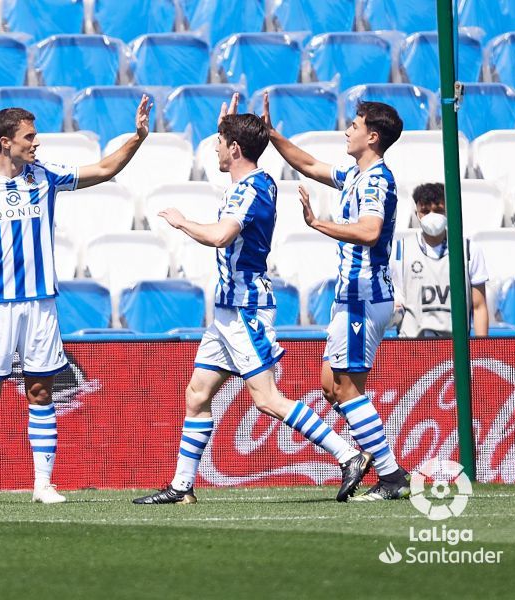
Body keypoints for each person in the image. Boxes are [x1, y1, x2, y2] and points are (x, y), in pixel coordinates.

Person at [132, 96, 372, 505]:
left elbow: (221, 235)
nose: (214, 148)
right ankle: (182, 486)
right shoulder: (251, 183)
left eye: (220, 142)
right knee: (197, 394)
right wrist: (228, 125)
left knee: (266, 399)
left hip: (247, 310)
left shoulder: (253, 189)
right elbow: (233, 178)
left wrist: (182, 222)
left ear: (235, 148)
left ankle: (348, 454)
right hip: (227, 311)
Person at [0, 98, 153, 505]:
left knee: (40, 392)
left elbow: (104, 170)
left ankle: (43, 484)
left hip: (40, 304)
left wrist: (138, 138)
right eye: (29, 137)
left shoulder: (45, 175)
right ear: (6, 142)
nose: (37, 143)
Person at [263, 95, 411, 501]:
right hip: (350, 297)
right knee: (330, 385)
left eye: (355, 125)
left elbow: (369, 231)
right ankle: (383, 468)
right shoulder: (355, 175)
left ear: (372, 136)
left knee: (347, 389)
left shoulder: (377, 181)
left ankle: (390, 474)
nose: (347, 131)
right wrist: (272, 135)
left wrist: (317, 223)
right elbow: (310, 165)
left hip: (364, 296)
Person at [391, 182, 489, 337]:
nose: (431, 216)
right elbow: (396, 300)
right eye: (425, 211)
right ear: (417, 213)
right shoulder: (399, 250)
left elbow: (479, 306)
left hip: (455, 344)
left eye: (438, 210)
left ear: (447, 210)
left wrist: (482, 348)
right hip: (412, 344)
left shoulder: (469, 250)